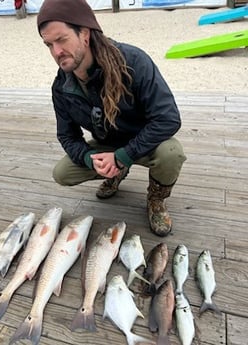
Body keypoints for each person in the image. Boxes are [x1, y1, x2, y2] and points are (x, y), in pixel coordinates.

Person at [37, 0, 186, 237]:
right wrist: (89, 159)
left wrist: (123, 156)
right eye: (48, 44)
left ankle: (156, 201)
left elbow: (168, 119)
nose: (56, 52)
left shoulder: (133, 62)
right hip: (107, 144)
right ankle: (116, 172)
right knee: (62, 173)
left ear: (84, 33)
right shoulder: (62, 85)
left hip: (146, 142)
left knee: (171, 153)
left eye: (62, 39)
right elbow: (67, 135)